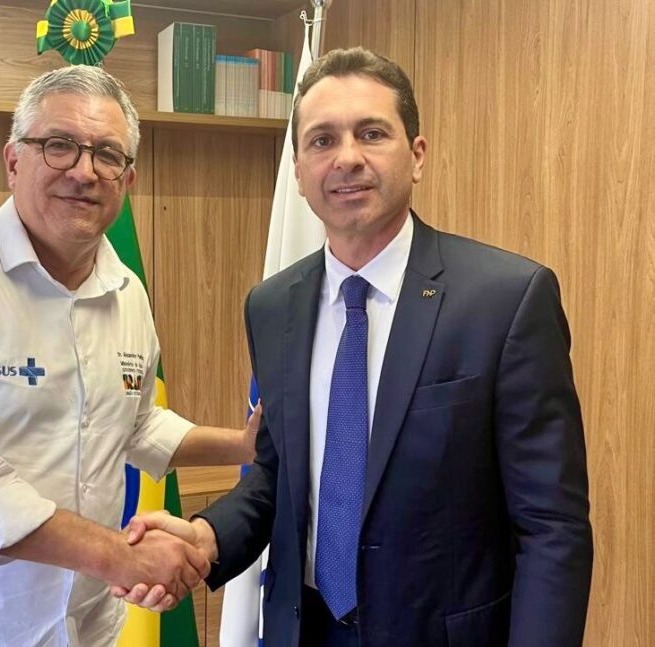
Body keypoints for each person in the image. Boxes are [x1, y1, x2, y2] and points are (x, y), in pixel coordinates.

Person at [117, 47, 594, 647]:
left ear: (417, 155)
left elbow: (552, 528)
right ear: (298, 170)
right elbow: (276, 474)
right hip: (303, 629)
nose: (347, 158)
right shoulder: (271, 306)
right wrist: (208, 538)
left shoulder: (507, 300)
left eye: (371, 133)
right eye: (322, 140)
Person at [0, 64, 259, 647]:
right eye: (59, 145)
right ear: (13, 160)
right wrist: (119, 556)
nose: (83, 170)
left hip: (87, 625)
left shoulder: (126, 292)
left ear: (127, 179)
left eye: (107, 154)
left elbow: (133, 422)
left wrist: (243, 445)